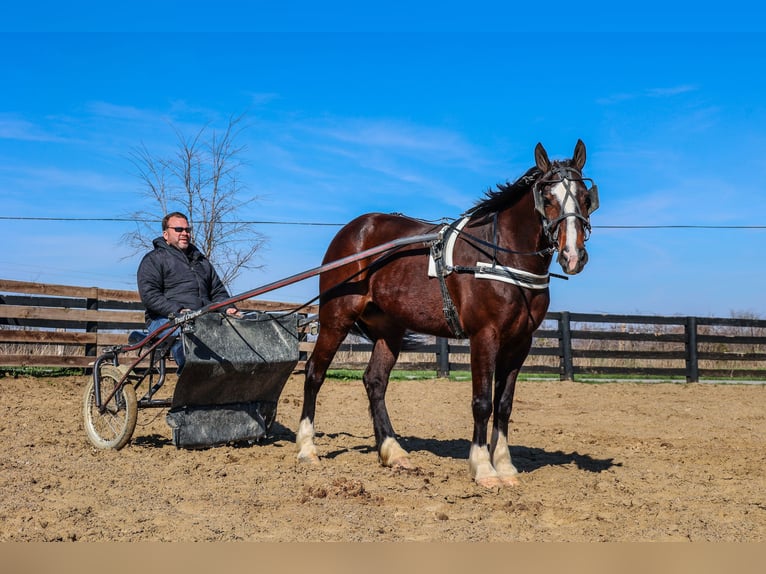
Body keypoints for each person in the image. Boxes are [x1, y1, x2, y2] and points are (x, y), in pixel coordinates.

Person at [137, 211, 240, 372]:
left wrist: (228, 307)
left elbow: (217, 291)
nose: (184, 233)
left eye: (187, 230)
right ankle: (190, 380)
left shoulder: (202, 262)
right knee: (187, 338)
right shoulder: (154, 259)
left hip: (202, 318)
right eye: (178, 229)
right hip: (165, 320)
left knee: (235, 333)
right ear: (166, 234)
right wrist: (178, 311)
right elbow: (150, 295)